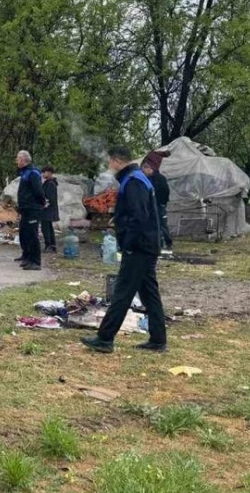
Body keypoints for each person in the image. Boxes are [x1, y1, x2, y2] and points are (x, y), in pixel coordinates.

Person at [82, 146, 168, 354]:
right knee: (149, 293)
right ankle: (158, 339)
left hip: (139, 246)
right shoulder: (136, 178)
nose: (109, 166)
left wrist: (128, 243)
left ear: (118, 161)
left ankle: (105, 338)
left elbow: (138, 216)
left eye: (110, 162)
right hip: (147, 244)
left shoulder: (133, 181)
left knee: (122, 292)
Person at [14, 151, 46, 270]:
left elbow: (38, 191)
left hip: (33, 208)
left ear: (24, 160)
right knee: (24, 233)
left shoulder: (33, 173)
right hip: (25, 208)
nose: (16, 161)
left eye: (18, 159)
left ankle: (36, 262)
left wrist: (42, 203)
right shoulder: (25, 172)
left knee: (33, 235)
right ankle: (27, 256)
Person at [141, 156, 173, 253]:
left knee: (162, 224)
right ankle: (156, 242)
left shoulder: (159, 179)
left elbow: (165, 191)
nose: (143, 172)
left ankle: (167, 242)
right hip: (152, 205)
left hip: (159, 204)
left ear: (149, 168)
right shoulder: (148, 178)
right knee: (154, 224)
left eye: (144, 170)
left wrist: (161, 203)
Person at [41, 166, 59, 253]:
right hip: (48, 209)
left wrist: (44, 204)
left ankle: (49, 245)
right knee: (49, 228)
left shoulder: (50, 184)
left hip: (48, 210)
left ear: (49, 173)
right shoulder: (49, 183)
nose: (43, 174)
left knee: (46, 228)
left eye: (44, 172)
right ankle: (52, 245)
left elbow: (50, 198)